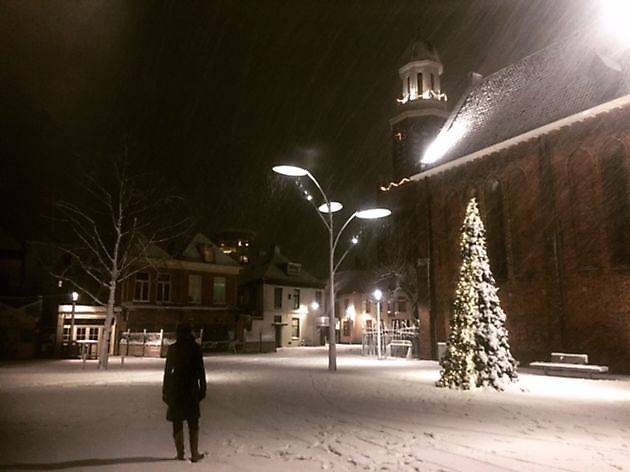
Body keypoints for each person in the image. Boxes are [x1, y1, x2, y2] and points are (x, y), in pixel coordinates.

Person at [162, 323, 207, 462]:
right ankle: (194, 453)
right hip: (191, 388)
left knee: (177, 421)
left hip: (176, 389)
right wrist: (202, 389)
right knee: (193, 422)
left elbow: (168, 372)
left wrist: (165, 390)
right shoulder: (195, 349)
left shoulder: (173, 349)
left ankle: (180, 453)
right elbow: (201, 371)